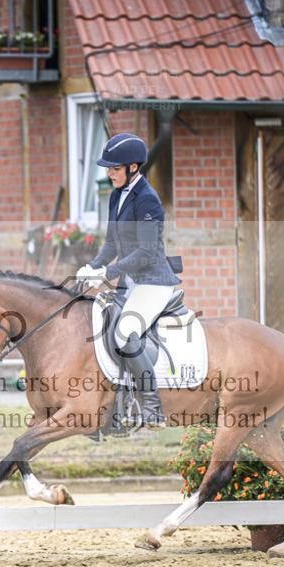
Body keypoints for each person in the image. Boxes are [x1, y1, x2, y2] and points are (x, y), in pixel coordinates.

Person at [76, 133, 181, 430]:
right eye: (108, 169)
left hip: (153, 281)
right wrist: (92, 266)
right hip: (130, 281)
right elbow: (111, 244)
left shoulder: (147, 199)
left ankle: (151, 407)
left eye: (114, 168)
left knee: (125, 332)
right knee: (102, 326)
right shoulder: (115, 195)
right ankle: (119, 404)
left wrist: (107, 273)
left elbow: (146, 252)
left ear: (133, 167)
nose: (109, 173)